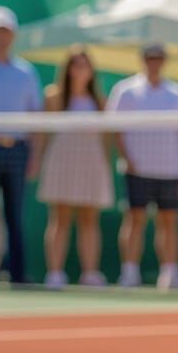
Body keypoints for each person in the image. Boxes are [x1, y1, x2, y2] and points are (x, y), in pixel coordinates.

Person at [108, 43, 178, 289]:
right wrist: (128, 159)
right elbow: (116, 131)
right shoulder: (125, 91)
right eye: (149, 58)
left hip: (171, 169)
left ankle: (170, 272)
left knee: (169, 220)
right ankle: (130, 272)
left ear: (164, 61)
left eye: (158, 58)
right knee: (135, 219)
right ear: (142, 60)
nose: (153, 62)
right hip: (137, 169)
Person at [38, 47, 114, 288]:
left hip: (90, 160)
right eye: (76, 65)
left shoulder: (100, 101)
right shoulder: (53, 96)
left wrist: (104, 164)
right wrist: (36, 161)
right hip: (62, 158)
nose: (81, 70)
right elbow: (42, 134)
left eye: (85, 65)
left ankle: (90, 273)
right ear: (68, 69)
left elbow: (106, 138)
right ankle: (55, 273)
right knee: (59, 217)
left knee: (89, 219)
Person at [0, 6, 41, 284]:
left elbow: (36, 119)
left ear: (13, 35)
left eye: (5, 31)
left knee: (15, 216)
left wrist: (35, 156)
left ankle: (17, 274)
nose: (1, 37)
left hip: (18, 150)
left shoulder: (26, 72)